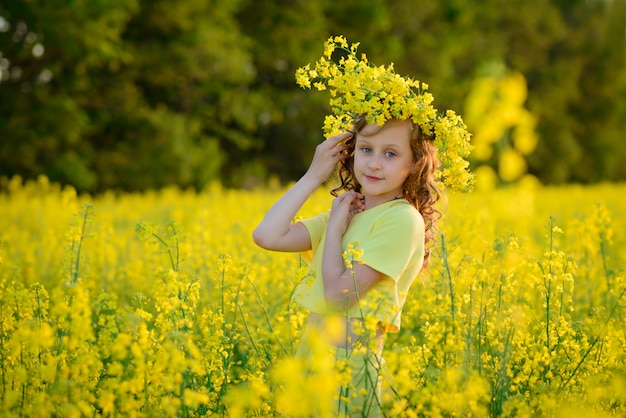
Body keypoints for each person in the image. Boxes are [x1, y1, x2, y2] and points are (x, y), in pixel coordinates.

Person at [253, 114, 442, 416]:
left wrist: (334, 232)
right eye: (366, 149)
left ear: (416, 163)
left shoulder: (402, 220)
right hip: (310, 359)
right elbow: (267, 235)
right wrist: (314, 176)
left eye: (390, 153)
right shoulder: (346, 213)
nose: (374, 163)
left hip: (348, 370)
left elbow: (336, 298)